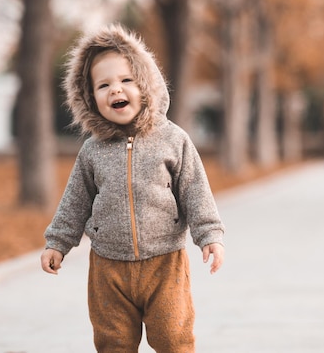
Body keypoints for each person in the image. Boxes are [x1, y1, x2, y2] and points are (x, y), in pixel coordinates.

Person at [40, 23, 225, 353]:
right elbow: (75, 200)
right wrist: (58, 242)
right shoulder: (92, 151)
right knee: (113, 341)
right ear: (89, 96)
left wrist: (209, 234)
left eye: (126, 80)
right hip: (108, 268)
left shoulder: (173, 139)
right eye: (103, 85)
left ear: (146, 85)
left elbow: (195, 189)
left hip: (164, 263)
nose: (115, 90)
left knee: (173, 336)